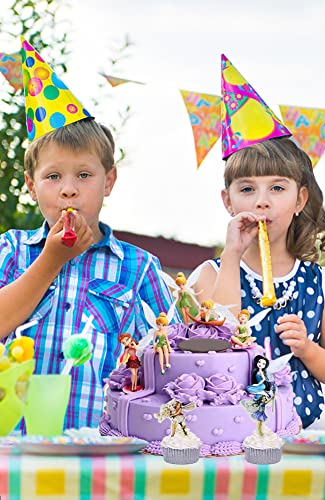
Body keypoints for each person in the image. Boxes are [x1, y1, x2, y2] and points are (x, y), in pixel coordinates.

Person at [0, 38, 180, 430]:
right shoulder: (10, 250)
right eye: (53, 177)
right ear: (31, 186)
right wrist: (51, 260)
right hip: (10, 447)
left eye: (84, 175)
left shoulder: (139, 268)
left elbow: (170, 362)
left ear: (109, 181)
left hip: (101, 448)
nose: (68, 189)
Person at [194, 54, 325, 429]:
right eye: (247, 189)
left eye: (277, 188)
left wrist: (308, 350)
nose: (261, 201)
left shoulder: (321, 284)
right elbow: (219, 340)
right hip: (226, 434)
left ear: (299, 201)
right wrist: (231, 256)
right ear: (228, 201)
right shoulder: (207, 275)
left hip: (305, 438)